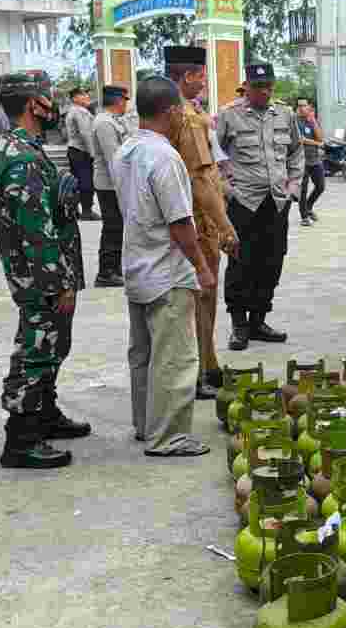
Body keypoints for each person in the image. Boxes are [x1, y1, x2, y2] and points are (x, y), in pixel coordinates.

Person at [0, 72, 91, 469]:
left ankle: (45, 413)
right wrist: (60, 283)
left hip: (43, 271)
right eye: (49, 101)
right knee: (37, 348)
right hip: (41, 276)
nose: (55, 108)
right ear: (34, 105)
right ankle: (22, 438)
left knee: (52, 345)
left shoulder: (23, 147)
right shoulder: (24, 157)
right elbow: (36, 232)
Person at [117, 72, 216, 457]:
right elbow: (179, 223)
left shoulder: (126, 150)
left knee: (143, 354)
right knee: (174, 356)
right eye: (181, 111)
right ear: (172, 111)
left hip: (138, 266)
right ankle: (168, 436)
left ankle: (146, 424)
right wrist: (203, 268)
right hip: (165, 270)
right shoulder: (165, 156)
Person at [163, 46, 238, 398]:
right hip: (197, 219)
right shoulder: (188, 120)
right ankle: (201, 371)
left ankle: (208, 364)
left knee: (200, 298)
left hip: (188, 217)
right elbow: (201, 179)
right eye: (202, 76)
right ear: (189, 76)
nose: (205, 83)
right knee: (201, 297)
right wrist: (225, 225)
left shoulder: (179, 112)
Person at [217, 62, 302, 351]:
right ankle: (239, 325)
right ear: (247, 87)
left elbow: (296, 152)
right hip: (244, 202)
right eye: (258, 87)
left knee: (272, 261)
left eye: (269, 87)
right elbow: (213, 156)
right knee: (241, 261)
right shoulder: (230, 115)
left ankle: (258, 320)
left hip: (277, 202)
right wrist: (227, 189)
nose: (264, 92)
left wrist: (294, 186)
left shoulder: (285, 114)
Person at [90, 85, 132, 287]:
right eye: (125, 99)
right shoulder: (104, 123)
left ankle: (113, 268)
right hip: (109, 184)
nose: (126, 104)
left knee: (116, 226)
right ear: (118, 100)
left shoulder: (113, 121)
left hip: (114, 183)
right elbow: (114, 158)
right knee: (113, 227)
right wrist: (124, 185)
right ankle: (106, 272)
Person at [63, 85, 99, 221]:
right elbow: (86, 133)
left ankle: (74, 210)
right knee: (86, 182)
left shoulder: (74, 111)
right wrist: (93, 153)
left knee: (77, 182)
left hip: (74, 150)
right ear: (75, 98)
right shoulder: (79, 112)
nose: (87, 97)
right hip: (81, 151)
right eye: (83, 95)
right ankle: (87, 211)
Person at [296, 98, 326, 227]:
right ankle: (304, 216)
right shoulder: (295, 121)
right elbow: (300, 139)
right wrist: (317, 143)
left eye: (304, 105)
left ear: (309, 107)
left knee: (320, 186)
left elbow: (320, 137)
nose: (302, 108)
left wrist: (313, 121)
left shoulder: (312, 120)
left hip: (315, 160)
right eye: (299, 106)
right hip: (301, 160)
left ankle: (308, 206)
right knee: (302, 189)